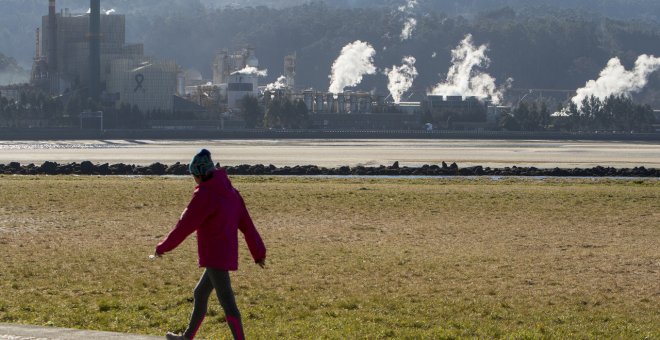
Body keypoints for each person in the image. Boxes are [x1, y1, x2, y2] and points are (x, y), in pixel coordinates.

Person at [155, 149, 266, 340]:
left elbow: (184, 226)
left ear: (200, 174)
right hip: (225, 253)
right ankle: (187, 337)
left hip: (215, 256)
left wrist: (162, 247)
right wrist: (258, 253)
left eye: (193, 176)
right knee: (200, 293)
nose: (194, 180)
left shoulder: (205, 195)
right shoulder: (231, 193)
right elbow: (248, 226)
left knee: (228, 302)